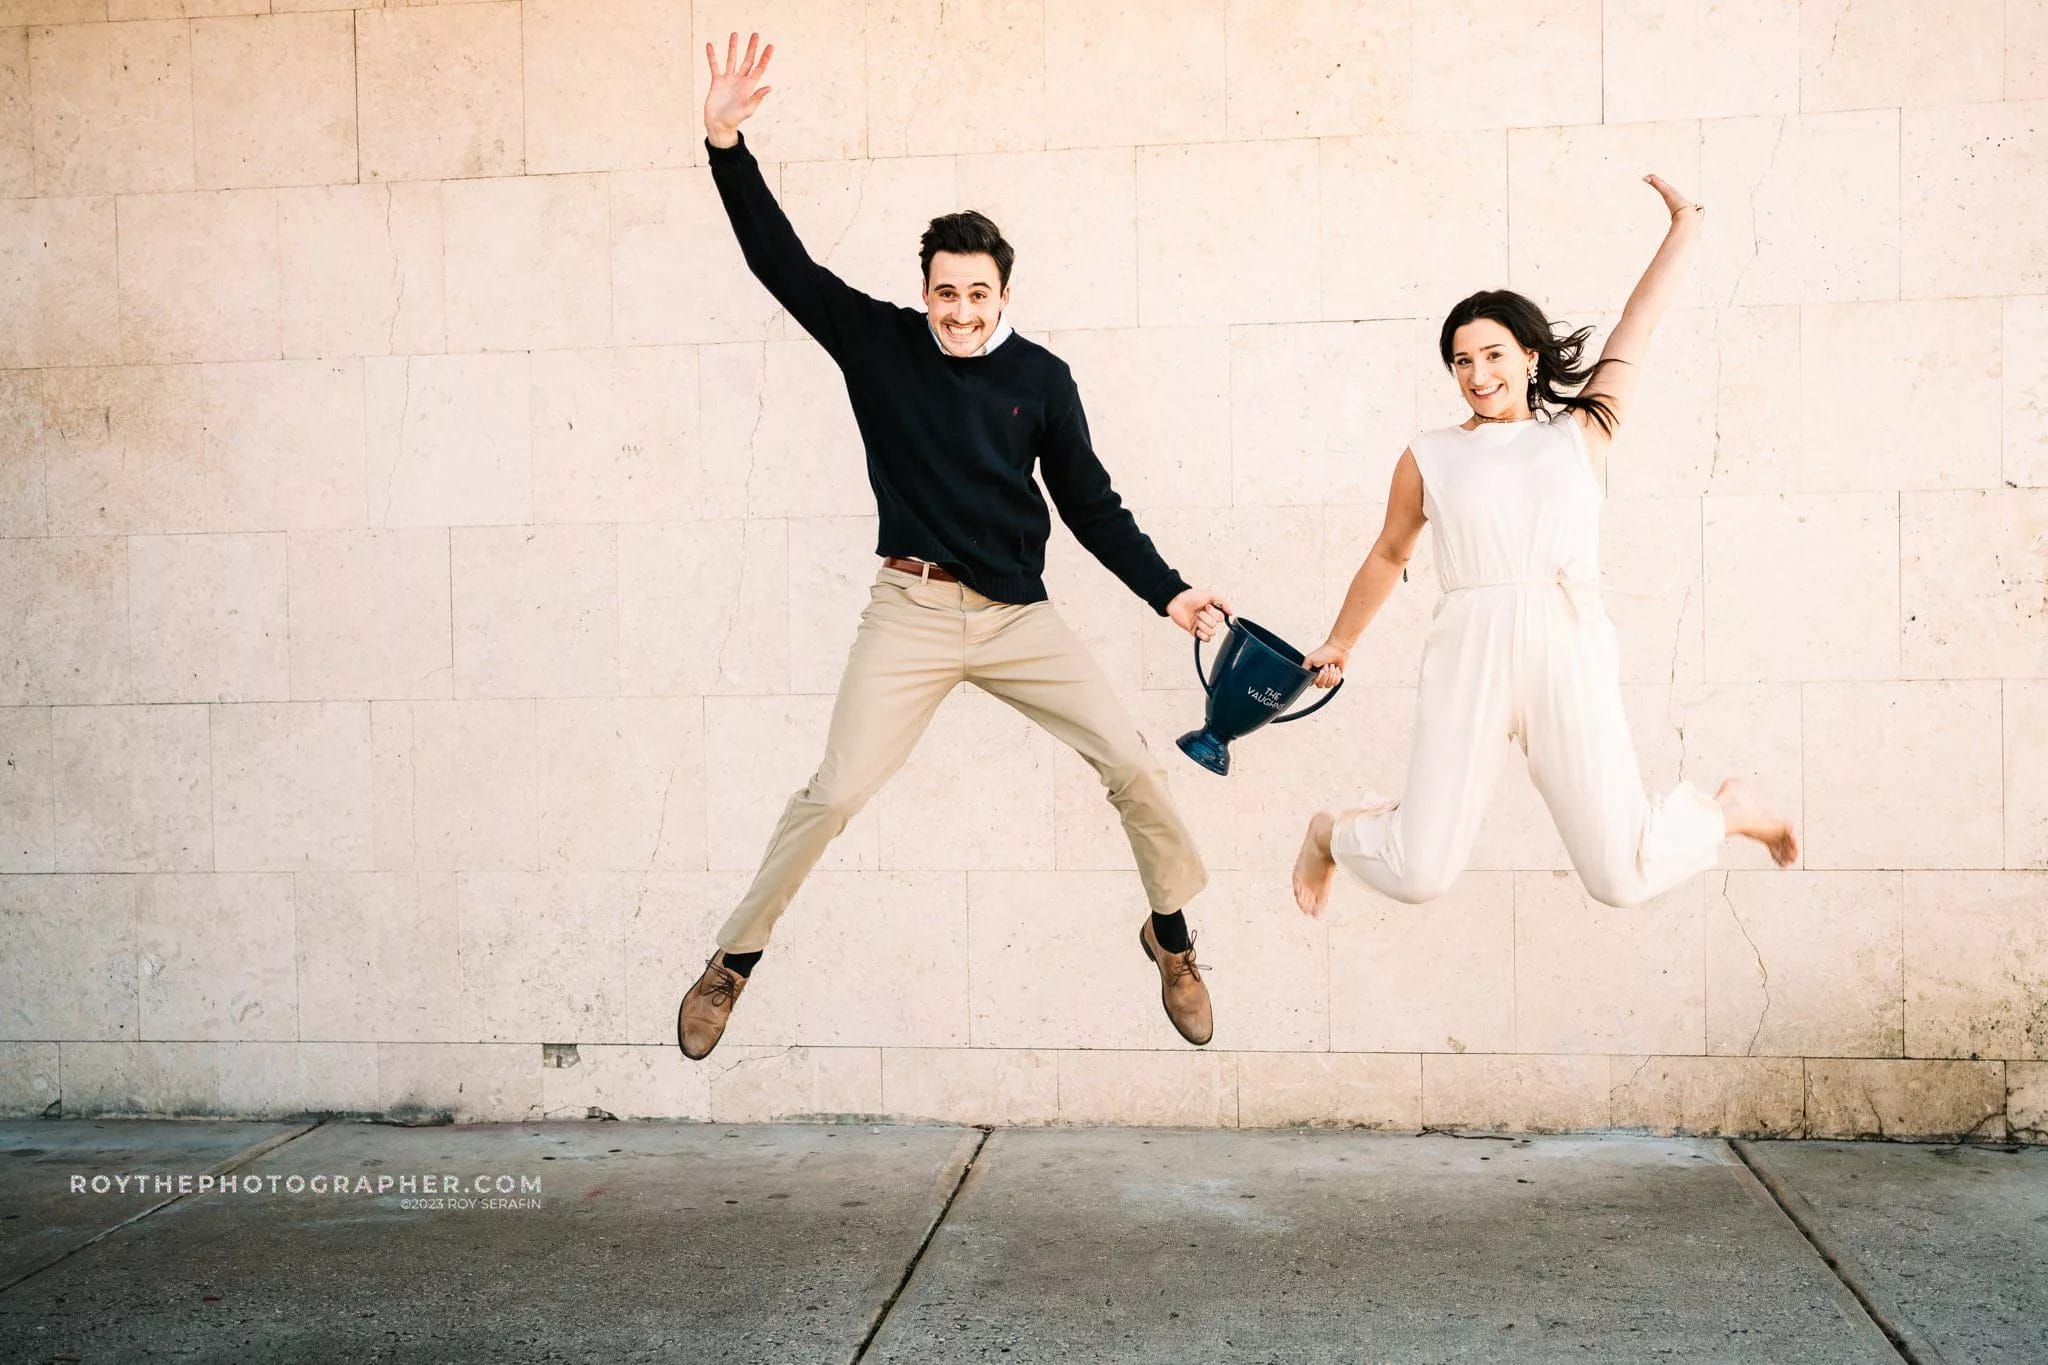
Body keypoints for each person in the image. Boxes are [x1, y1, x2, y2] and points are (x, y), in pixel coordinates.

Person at [677, 33, 1231, 1059]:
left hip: (1019, 619)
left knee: (1132, 765)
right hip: (914, 611)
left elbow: (1090, 505)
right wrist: (725, 142)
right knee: (834, 791)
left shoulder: (1044, 380)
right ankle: (733, 961)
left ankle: (1171, 936)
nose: (960, 311)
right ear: (924, 288)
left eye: (978, 295)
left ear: (1003, 295)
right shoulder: (877, 343)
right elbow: (779, 262)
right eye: (945, 292)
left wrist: (1170, 594)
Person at [1291, 174, 1798, 918]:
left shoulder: (1581, 432)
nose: (1477, 375)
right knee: (1423, 871)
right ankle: (1332, 834)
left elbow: (1638, 323)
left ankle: (1726, 809)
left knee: (1621, 877)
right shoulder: (1428, 454)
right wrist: (1340, 640)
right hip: (1470, 645)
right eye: (1461, 362)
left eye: (1492, 355)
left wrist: (1684, 226)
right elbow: (1388, 555)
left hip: (1568, 641)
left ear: (1530, 355)